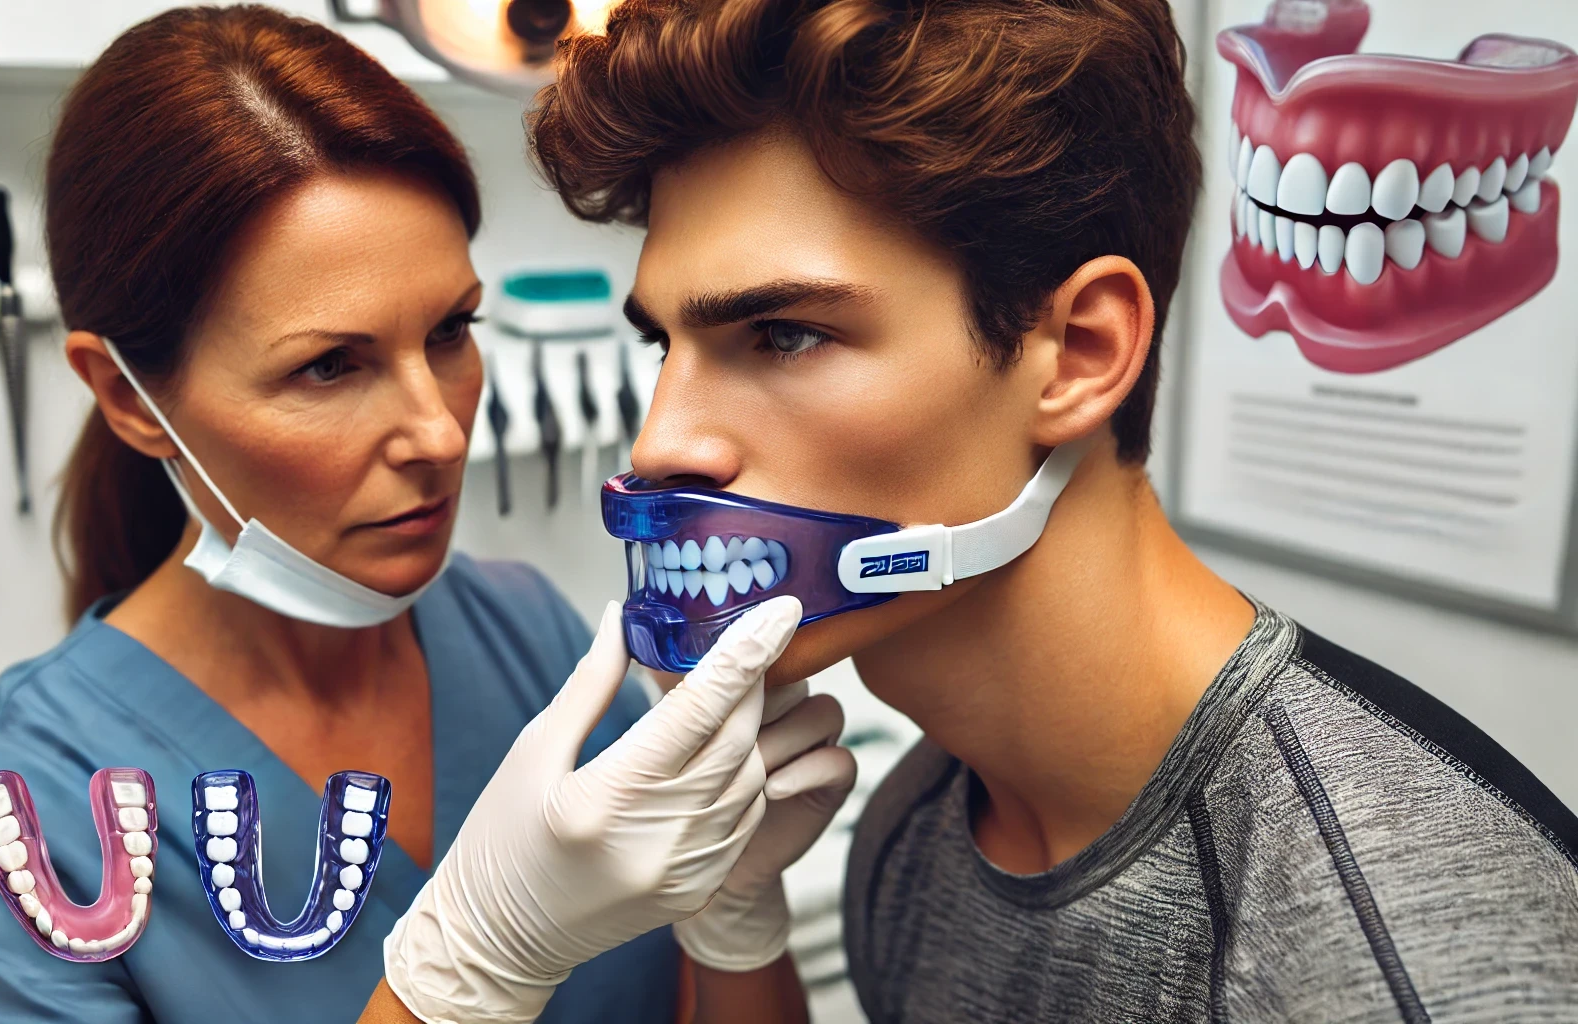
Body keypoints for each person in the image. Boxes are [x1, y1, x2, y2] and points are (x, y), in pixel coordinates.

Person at [526, 0, 1578, 1020]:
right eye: (663, 343)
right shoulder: (917, 824)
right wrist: (732, 934)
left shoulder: (1398, 962)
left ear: (1078, 355)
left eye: (783, 334)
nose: (659, 444)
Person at [0, 8, 849, 1024]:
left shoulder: (529, 637)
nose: (437, 432)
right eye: (328, 366)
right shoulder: (6, 832)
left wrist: (734, 914)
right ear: (129, 398)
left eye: (449, 332)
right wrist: (468, 967)